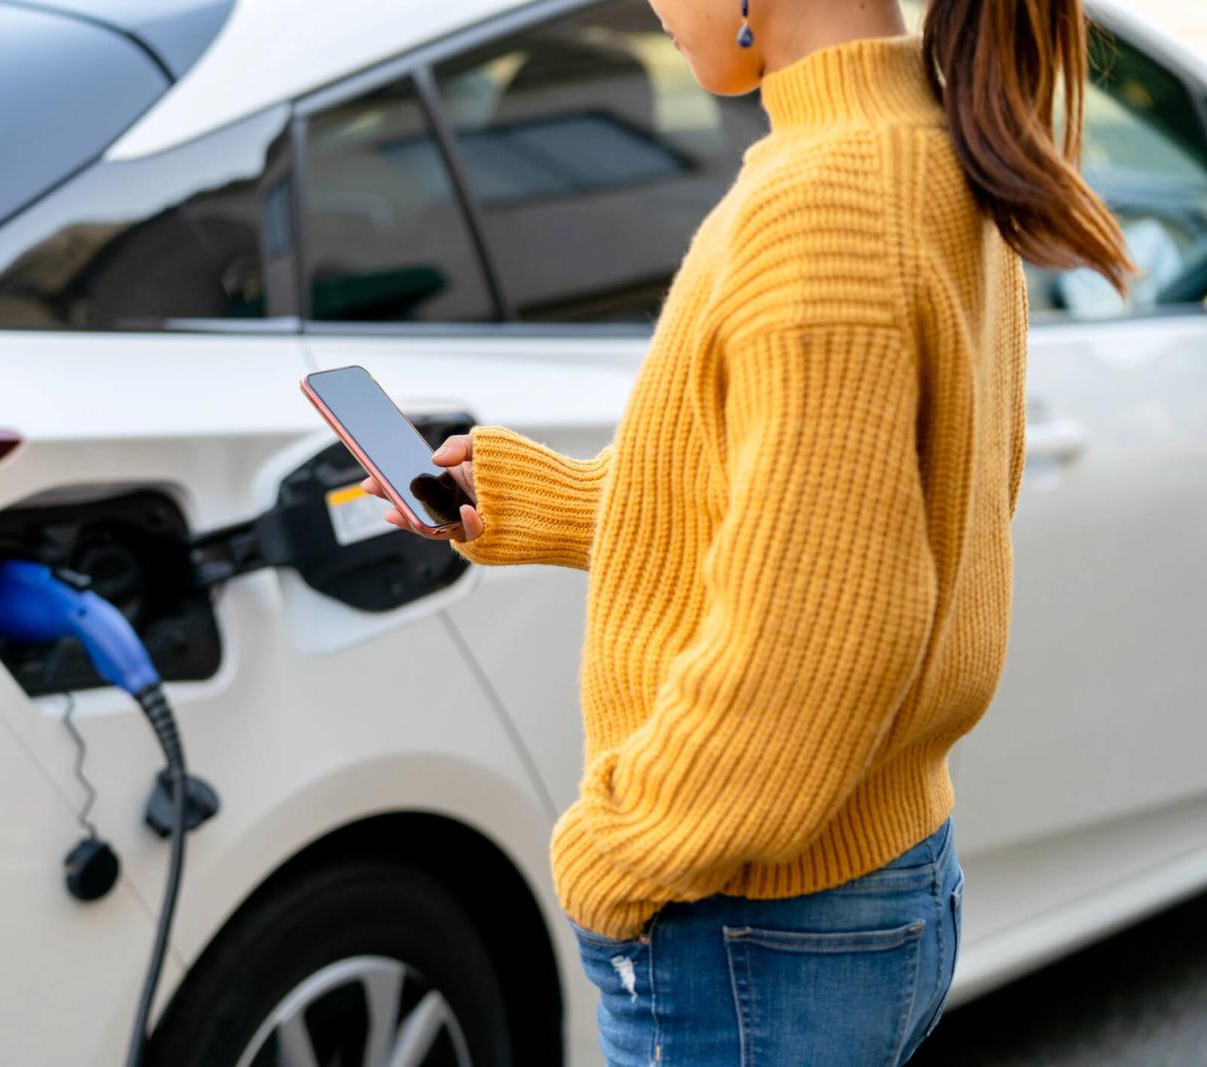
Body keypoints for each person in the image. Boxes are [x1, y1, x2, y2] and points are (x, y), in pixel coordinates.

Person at [361, 0, 1136, 1063]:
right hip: (857, 879)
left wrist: (622, 851)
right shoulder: (928, 141)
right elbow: (816, 516)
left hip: (753, 921)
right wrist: (537, 496)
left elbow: (822, 633)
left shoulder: (824, 202)